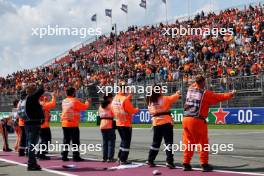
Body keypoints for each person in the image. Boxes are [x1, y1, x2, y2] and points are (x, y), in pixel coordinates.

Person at [182, 75, 235, 172]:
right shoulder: (205, 93)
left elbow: (196, 83)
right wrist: (230, 94)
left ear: (195, 82)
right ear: (203, 82)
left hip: (185, 118)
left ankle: (186, 163)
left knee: (188, 142)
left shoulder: (190, 89)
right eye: (204, 82)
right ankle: (204, 164)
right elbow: (218, 97)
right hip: (197, 120)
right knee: (202, 143)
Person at [146, 85, 181, 169]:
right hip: (166, 122)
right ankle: (169, 161)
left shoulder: (150, 101)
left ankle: (150, 159)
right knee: (168, 142)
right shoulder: (164, 99)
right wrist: (177, 93)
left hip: (156, 123)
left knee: (155, 143)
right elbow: (174, 97)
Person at [61, 87, 90, 162]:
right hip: (73, 123)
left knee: (66, 140)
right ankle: (75, 156)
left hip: (64, 123)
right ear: (73, 93)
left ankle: (64, 155)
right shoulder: (74, 101)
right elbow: (84, 107)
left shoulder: (64, 101)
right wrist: (87, 102)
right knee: (75, 141)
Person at [111, 86, 139, 165]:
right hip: (126, 123)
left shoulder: (115, 98)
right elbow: (131, 110)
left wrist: (130, 95)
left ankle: (119, 157)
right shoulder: (124, 99)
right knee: (126, 142)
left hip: (118, 122)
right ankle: (123, 159)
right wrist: (137, 109)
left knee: (123, 140)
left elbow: (122, 103)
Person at [25, 83, 45, 171]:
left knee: (31, 143)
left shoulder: (26, 98)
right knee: (32, 144)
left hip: (29, 123)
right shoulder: (31, 97)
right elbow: (41, 90)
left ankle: (32, 163)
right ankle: (31, 164)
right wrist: (40, 83)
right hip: (33, 123)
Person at [37, 93, 56, 160]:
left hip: (39, 125)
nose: (44, 97)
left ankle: (39, 153)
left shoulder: (38, 104)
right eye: (43, 97)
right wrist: (53, 96)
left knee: (42, 140)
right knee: (47, 140)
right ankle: (42, 154)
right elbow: (53, 104)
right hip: (44, 125)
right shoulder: (44, 104)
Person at [98, 93, 116, 162]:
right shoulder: (111, 105)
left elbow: (99, 115)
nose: (112, 99)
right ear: (108, 98)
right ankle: (110, 157)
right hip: (109, 124)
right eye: (111, 97)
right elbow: (114, 113)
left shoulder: (100, 106)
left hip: (102, 124)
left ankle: (104, 157)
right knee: (111, 142)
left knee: (105, 142)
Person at [18, 90, 27, 157]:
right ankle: (27, 151)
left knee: (23, 137)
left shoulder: (19, 102)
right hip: (25, 121)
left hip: (20, 121)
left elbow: (18, 112)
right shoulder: (25, 102)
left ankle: (21, 151)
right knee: (27, 137)